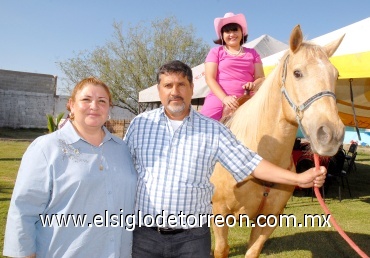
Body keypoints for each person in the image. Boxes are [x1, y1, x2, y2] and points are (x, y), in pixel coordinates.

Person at [124, 60, 326, 258]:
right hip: (144, 236)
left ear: (192, 89)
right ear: (159, 90)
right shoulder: (139, 125)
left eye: (181, 85)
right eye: (168, 85)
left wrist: (299, 179)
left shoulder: (214, 131)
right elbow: (119, 167)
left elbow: (250, 163)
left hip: (192, 239)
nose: (174, 91)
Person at [3, 77, 137, 258]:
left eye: (102, 101)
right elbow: (24, 209)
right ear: (71, 105)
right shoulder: (46, 148)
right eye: (86, 99)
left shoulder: (122, 149)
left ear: (109, 108)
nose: (94, 106)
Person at [200, 12, 265, 121]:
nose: (232, 34)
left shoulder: (253, 53)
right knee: (204, 124)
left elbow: (261, 78)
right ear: (222, 35)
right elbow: (209, 78)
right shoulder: (216, 52)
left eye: (235, 30)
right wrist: (225, 98)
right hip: (219, 98)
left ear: (242, 32)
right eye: (227, 31)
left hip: (247, 98)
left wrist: (253, 84)